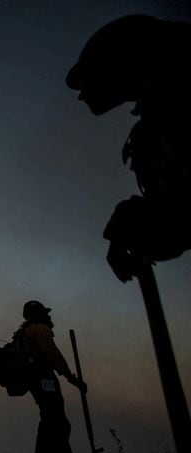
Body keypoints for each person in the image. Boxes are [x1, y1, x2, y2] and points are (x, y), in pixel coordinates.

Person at [65, 14, 191, 283]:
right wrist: (127, 227)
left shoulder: (175, 103)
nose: (82, 94)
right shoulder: (158, 120)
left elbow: (181, 212)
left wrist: (129, 225)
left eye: (90, 76)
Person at [14, 300, 86, 453]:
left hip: (34, 382)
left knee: (50, 421)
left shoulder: (22, 334)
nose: (48, 315)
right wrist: (71, 378)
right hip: (45, 380)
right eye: (45, 312)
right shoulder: (41, 329)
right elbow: (53, 354)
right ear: (37, 314)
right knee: (57, 422)